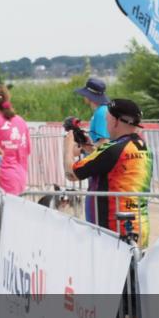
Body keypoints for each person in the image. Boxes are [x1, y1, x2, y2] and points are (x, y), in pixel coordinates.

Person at [63, 99, 153, 247]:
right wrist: (89, 148)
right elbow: (111, 164)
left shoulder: (113, 149)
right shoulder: (143, 147)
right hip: (138, 224)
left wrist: (67, 145)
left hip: (113, 230)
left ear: (116, 121)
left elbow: (71, 174)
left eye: (107, 118)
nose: (105, 121)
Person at [74, 76, 111, 147]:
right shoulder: (102, 110)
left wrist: (85, 148)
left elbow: (104, 142)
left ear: (89, 95)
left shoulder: (101, 112)